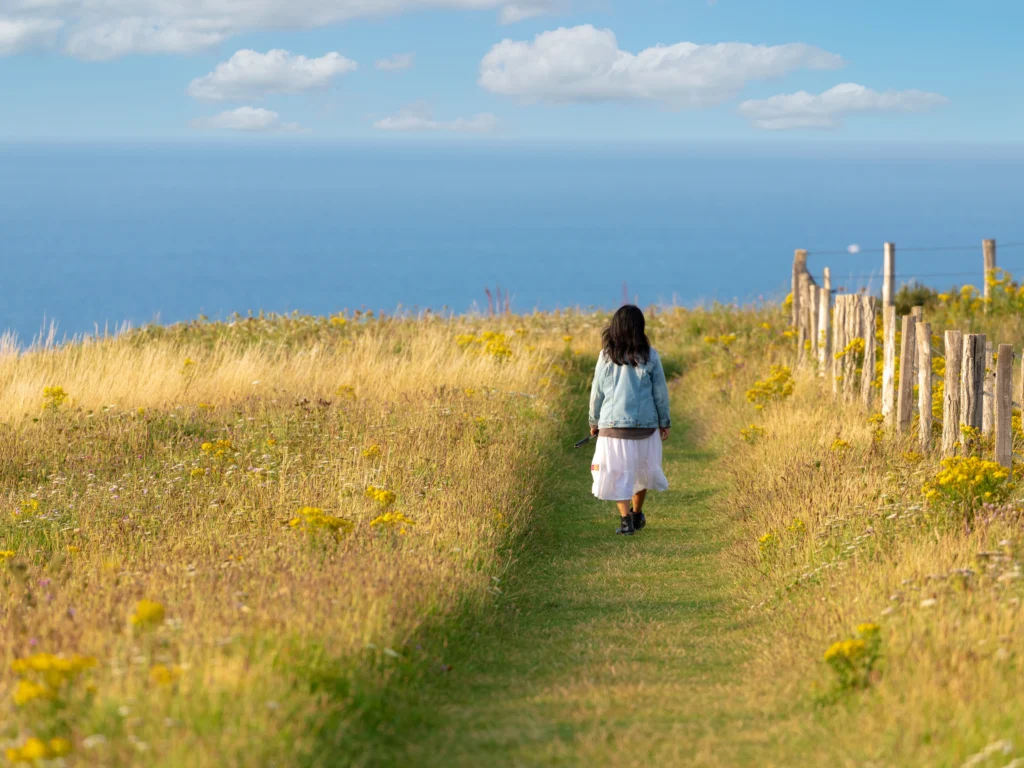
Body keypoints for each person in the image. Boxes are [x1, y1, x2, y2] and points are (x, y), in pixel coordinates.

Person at [588, 305, 671, 536]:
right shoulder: (650, 355)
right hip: (645, 427)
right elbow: (660, 393)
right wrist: (664, 421)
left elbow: (597, 392)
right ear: (639, 327)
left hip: (612, 427)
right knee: (641, 470)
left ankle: (626, 521)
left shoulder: (606, 356)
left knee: (617, 472)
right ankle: (636, 513)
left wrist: (594, 421)